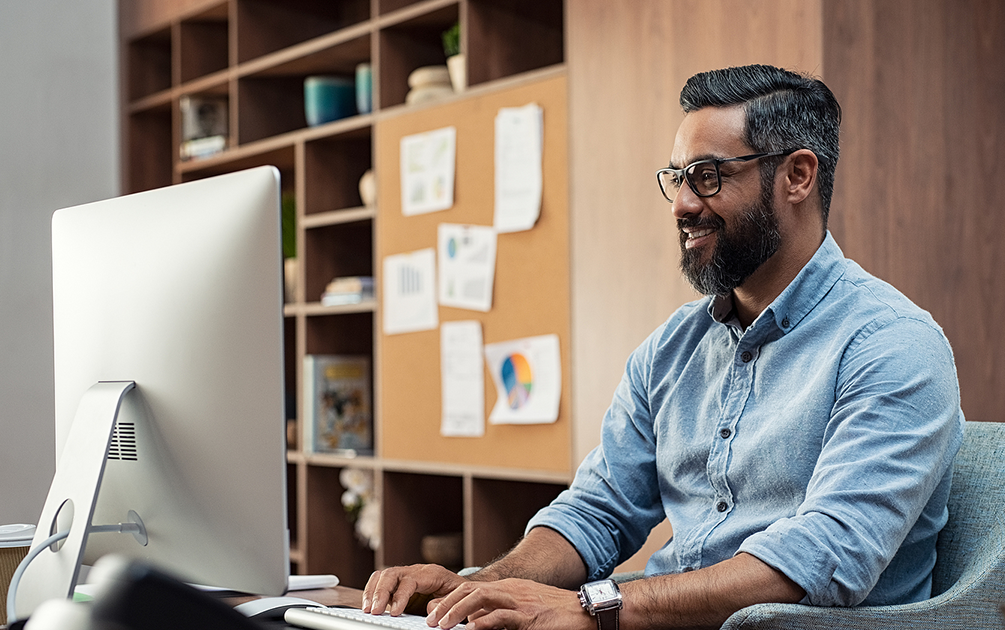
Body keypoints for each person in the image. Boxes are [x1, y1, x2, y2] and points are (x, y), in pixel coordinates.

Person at [362, 64, 965, 630]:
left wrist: (593, 606)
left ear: (797, 176)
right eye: (677, 179)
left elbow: (819, 558)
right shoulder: (672, 348)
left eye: (708, 177)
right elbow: (598, 511)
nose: (681, 204)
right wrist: (483, 589)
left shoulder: (892, 345)